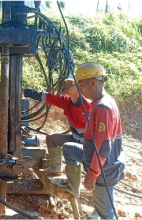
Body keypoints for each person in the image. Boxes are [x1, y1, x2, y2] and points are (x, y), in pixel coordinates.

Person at [59, 62, 125, 220]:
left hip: (104, 170)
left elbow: (103, 147)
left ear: (93, 82)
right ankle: (74, 188)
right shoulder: (99, 103)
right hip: (102, 163)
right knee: (68, 148)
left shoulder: (103, 108)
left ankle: (100, 211)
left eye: (81, 85)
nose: (79, 89)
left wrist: (92, 175)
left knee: (106, 213)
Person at [23, 74, 91, 176]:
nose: (66, 86)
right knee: (51, 139)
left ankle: (77, 181)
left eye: (70, 83)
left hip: (89, 145)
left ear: (79, 87)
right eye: (66, 83)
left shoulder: (88, 105)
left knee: (71, 151)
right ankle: (55, 169)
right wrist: (24, 91)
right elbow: (46, 97)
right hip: (75, 140)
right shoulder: (66, 101)